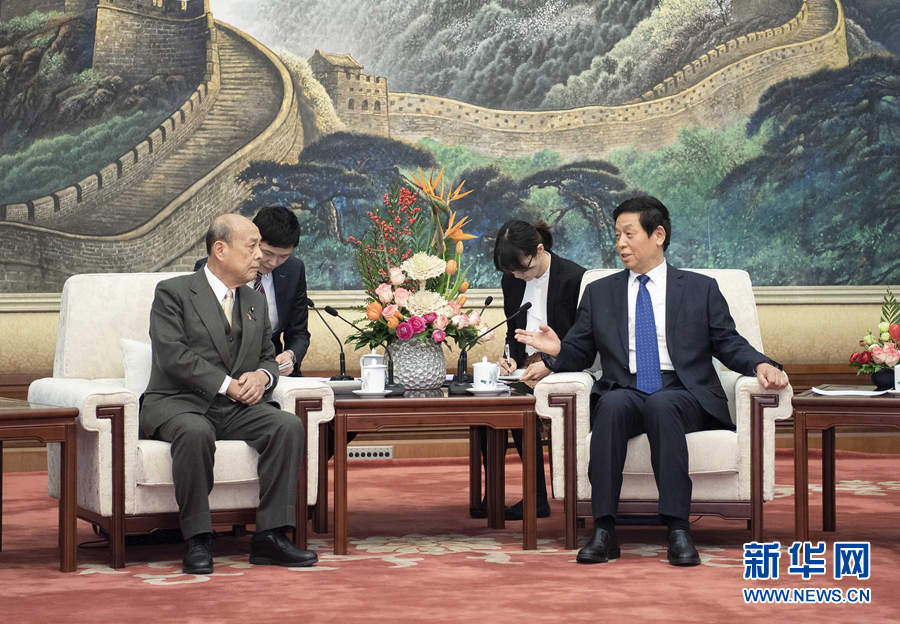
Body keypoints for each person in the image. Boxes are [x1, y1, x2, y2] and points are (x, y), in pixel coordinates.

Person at [516, 196, 789, 566]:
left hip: (683, 390)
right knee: (611, 405)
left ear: (658, 235)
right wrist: (557, 351)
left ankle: (678, 529)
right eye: (617, 235)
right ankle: (603, 530)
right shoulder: (600, 292)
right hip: (625, 387)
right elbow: (580, 352)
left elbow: (728, 342)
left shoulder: (700, 288)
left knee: (662, 404)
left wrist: (760, 363)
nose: (621, 243)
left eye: (629, 234)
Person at [143, 214, 317, 573]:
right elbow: (173, 356)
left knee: (287, 426)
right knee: (195, 432)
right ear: (220, 249)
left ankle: (270, 536)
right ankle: (198, 539)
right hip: (180, 403)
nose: (260, 257)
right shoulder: (173, 292)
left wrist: (263, 376)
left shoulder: (253, 302)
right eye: (252, 247)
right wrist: (228, 384)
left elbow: (268, 355)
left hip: (235, 407)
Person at [471, 220, 586, 521]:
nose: (518, 276)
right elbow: (514, 331)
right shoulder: (511, 280)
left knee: (519, 402)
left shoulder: (574, 277)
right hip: (524, 367)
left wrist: (549, 364)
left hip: (564, 366)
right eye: (511, 272)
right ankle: (493, 492)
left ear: (539, 249)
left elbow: (583, 341)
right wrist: (508, 359)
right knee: (486, 403)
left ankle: (537, 498)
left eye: (522, 269)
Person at [196, 206, 310, 376]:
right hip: (226, 371)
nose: (273, 262)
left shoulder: (294, 270)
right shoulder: (216, 267)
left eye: (283, 256)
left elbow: (298, 332)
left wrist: (290, 355)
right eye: (267, 253)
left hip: (273, 371)